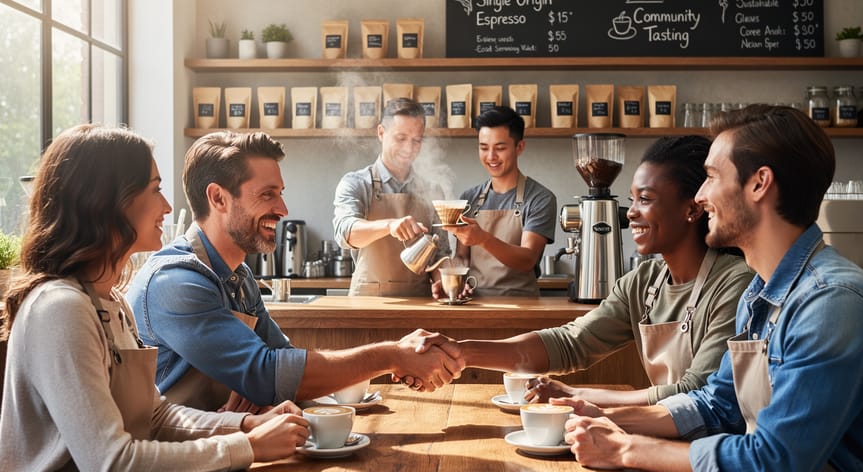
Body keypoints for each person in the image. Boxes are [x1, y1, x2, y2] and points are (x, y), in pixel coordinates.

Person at [559, 105, 863, 472]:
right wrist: (605, 416)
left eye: (712, 177)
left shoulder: (833, 302)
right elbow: (716, 405)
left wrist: (626, 448)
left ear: (760, 184)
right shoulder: (760, 292)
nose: (701, 196)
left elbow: (773, 466)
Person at [0, 125, 310, 472]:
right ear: (108, 201)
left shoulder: (109, 301)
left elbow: (156, 415)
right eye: (154, 189)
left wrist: (245, 427)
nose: (167, 206)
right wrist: (246, 447)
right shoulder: (59, 309)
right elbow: (111, 467)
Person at [126, 130, 462, 413]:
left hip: (222, 449)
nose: (283, 209)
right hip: (172, 469)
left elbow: (281, 361)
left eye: (280, 194)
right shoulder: (175, 281)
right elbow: (267, 373)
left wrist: (269, 388)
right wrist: (391, 356)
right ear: (218, 198)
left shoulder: (240, 279)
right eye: (267, 194)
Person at [413, 135, 754, 406]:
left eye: (645, 200)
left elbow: (695, 392)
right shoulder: (643, 283)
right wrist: (463, 351)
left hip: (710, 457)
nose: (630, 214)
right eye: (631, 200)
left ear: (693, 209)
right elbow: (571, 343)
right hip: (657, 436)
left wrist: (581, 397)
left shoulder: (734, 283)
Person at [332, 97, 450, 297]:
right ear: (381, 133)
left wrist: (447, 284)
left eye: (416, 140)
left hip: (419, 304)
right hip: (367, 306)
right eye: (401, 138)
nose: (409, 148)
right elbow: (345, 233)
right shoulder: (356, 183)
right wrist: (390, 225)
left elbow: (440, 254)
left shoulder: (432, 190)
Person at [440, 106, 557, 297]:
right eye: (484, 148)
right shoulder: (469, 198)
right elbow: (462, 257)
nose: (491, 157)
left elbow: (527, 259)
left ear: (519, 147)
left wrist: (483, 239)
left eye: (500, 148)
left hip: (523, 306)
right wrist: (453, 281)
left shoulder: (540, 198)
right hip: (475, 304)